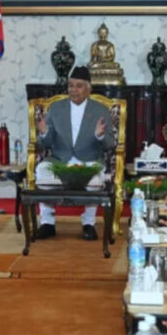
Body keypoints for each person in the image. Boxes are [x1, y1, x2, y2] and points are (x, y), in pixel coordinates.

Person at [34, 66, 115, 241]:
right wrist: (44, 133)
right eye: (70, 85)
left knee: (96, 178)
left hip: (89, 160)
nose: (73, 90)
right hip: (60, 160)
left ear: (88, 89)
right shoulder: (56, 108)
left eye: (79, 86)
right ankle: (47, 223)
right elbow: (45, 143)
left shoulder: (100, 110)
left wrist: (99, 136)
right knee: (41, 170)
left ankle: (89, 224)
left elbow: (110, 144)